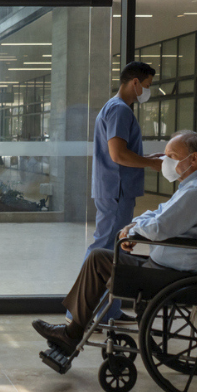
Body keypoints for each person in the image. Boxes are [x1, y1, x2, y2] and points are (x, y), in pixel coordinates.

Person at [33, 131, 197, 349]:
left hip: (170, 277)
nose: (165, 162)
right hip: (170, 268)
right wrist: (132, 227)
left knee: (98, 260)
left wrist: (133, 231)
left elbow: (159, 227)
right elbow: (159, 212)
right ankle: (72, 330)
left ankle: (72, 333)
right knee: (100, 257)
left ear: (193, 158)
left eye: (172, 156)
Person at [81, 61, 163, 322]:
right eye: (147, 86)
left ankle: (107, 312)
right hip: (116, 190)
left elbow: (120, 152)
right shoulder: (120, 111)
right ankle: (87, 312)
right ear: (135, 82)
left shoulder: (113, 107)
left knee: (107, 249)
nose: (147, 91)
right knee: (105, 251)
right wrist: (151, 163)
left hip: (113, 188)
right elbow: (118, 154)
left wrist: (147, 156)